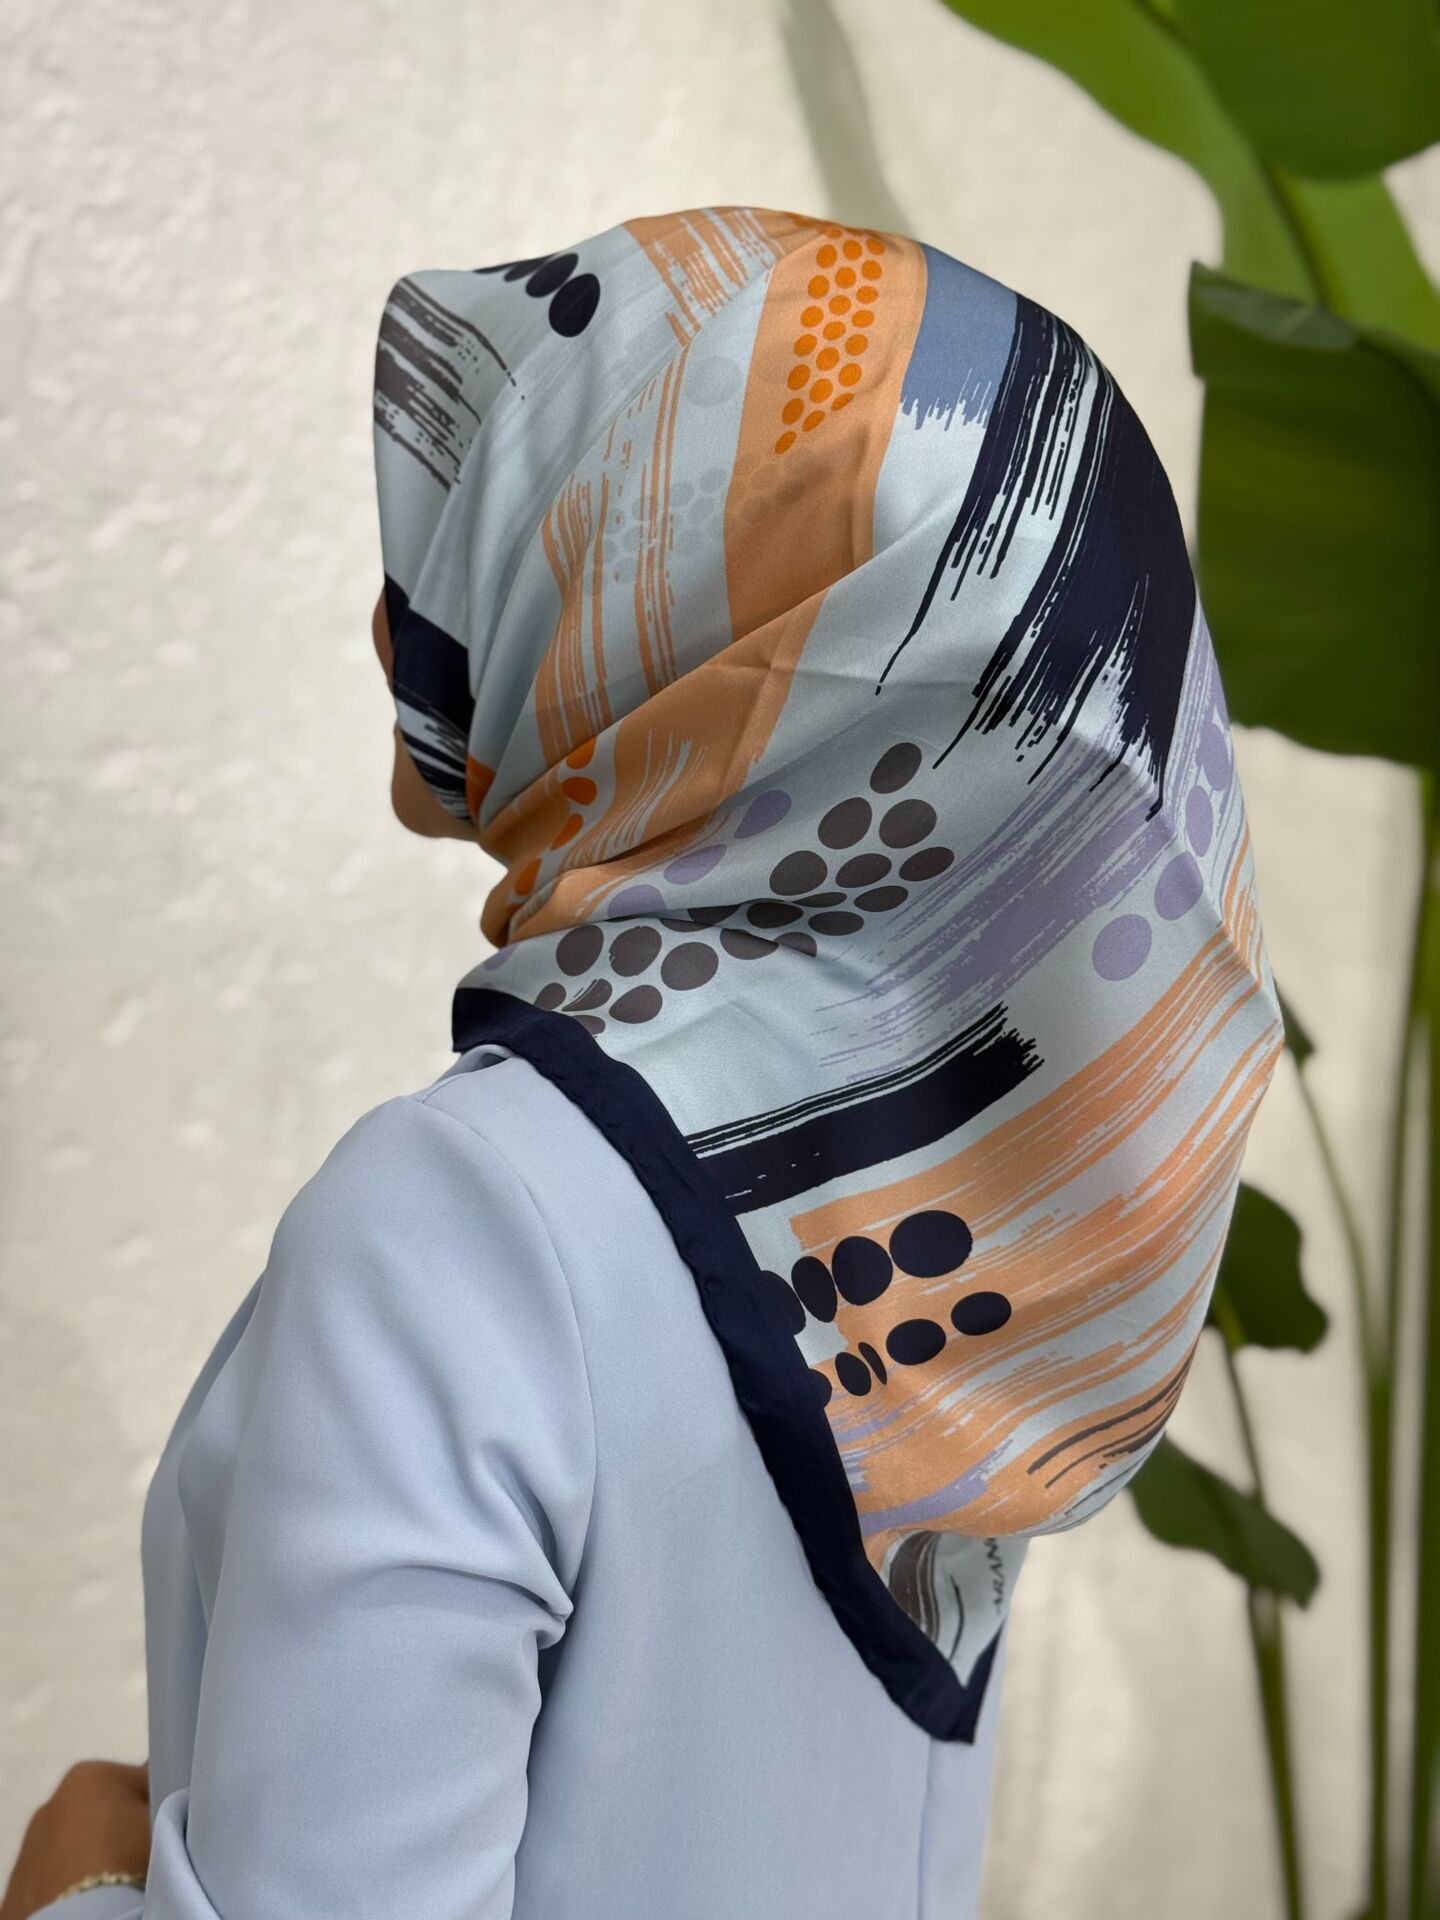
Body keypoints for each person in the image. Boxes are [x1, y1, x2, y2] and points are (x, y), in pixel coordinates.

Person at [3, 204, 1285, 1920]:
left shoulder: (474, 1227)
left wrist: (73, 1879)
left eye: (552, 515)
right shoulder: (959, 1296)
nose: (410, 605)